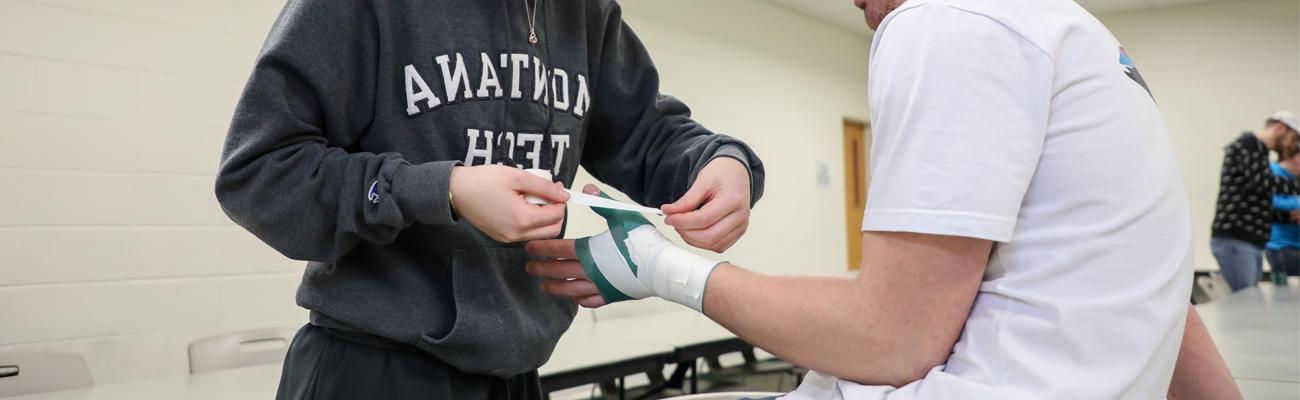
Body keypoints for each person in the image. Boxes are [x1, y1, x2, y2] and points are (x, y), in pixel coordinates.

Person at [525, 0, 1240, 398]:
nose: (858, 6)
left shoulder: (945, 24)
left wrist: (654, 265)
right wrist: (724, 158)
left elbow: (891, 338)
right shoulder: (1081, 35)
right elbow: (1153, 290)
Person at [214, 0, 765, 398]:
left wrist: (721, 160)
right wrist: (443, 189)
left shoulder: (586, 14)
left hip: (514, 377)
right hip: (371, 368)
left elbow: (647, 134)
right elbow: (259, 173)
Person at [1210, 111, 1300, 292]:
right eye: (1293, 138)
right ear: (1280, 128)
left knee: (1247, 301)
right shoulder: (1248, 144)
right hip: (1237, 239)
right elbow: (1264, 183)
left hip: (1249, 242)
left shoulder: (1258, 151)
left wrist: (1290, 216)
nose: (1292, 145)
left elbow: (1260, 199)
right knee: (1244, 303)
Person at [1265, 155, 1300, 286]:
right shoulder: (1273, 172)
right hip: (1281, 246)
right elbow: (1269, 200)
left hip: (1295, 245)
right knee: (1285, 298)